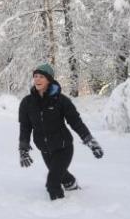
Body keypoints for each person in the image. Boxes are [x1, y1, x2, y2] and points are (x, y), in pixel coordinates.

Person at [18, 63, 104, 200]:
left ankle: (60, 212)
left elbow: (76, 122)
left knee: (52, 183)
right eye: (35, 76)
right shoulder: (27, 103)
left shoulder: (61, 101)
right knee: (61, 175)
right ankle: (71, 185)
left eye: (41, 77)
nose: (37, 80)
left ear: (49, 80)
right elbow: (25, 127)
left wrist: (90, 141)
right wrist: (23, 148)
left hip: (63, 147)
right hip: (45, 149)